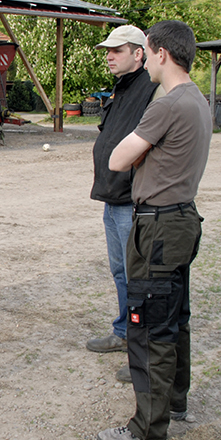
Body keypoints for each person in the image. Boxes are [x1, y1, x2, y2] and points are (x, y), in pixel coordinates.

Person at [97, 20, 212, 440]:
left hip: (159, 226)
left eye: (147, 52)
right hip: (183, 219)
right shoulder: (197, 99)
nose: (145, 61)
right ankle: (175, 402)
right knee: (176, 318)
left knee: (150, 328)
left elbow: (117, 158)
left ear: (161, 53)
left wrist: (140, 151)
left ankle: (146, 430)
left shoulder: (167, 105)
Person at [87, 25, 162, 385]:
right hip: (112, 197)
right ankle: (123, 331)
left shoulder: (152, 88)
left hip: (132, 201)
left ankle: (143, 348)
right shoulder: (122, 88)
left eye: (117, 50)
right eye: (108, 50)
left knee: (138, 278)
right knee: (121, 273)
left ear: (139, 54)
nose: (109, 56)